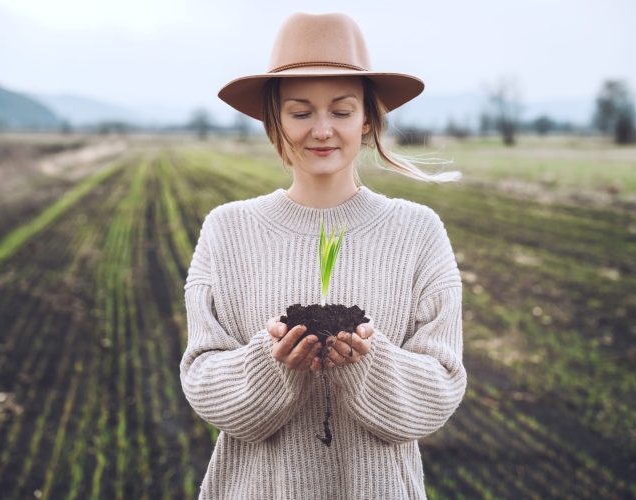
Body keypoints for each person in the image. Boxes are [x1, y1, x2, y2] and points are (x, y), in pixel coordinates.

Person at [179, 12, 467, 500]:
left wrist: (366, 363)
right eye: (300, 111)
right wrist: (273, 364)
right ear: (274, 118)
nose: (322, 130)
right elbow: (203, 378)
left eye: (341, 110)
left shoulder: (418, 232)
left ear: (368, 118)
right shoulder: (228, 230)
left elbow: (440, 389)